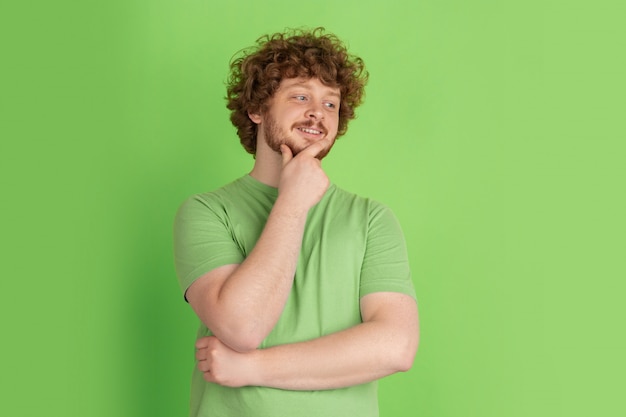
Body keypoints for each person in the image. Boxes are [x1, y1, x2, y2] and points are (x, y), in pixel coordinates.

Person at [173, 27, 419, 417]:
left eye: (330, 104)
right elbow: (242, 327)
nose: (317, 113)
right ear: (256, 109)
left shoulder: (371, 219)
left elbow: (395, 347)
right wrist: (292, 202)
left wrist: (251, 367)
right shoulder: (207, 211)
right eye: (301, 96)